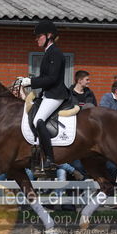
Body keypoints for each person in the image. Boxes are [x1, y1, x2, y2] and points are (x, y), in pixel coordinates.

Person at [20, 20, 69, 169]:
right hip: (48, 94)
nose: (36, 39)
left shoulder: (56, 53)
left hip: (56, 94)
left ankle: (50, 158)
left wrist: (31, 82)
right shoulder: (48, 53)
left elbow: (52, 78)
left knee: (38, 120)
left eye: (39, 36)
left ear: (49, 36)